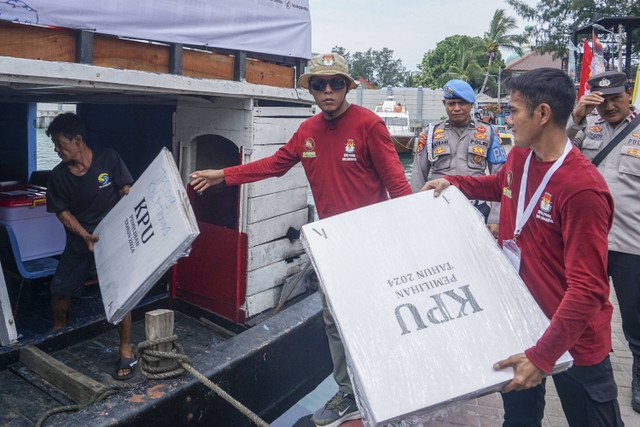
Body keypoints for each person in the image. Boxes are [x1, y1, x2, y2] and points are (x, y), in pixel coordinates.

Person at [190, 52, 412, 427]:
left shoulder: (369, 125)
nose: (328, 91)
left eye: (336, 83)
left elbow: (399, 188)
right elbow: (274, 165)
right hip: (330, 244)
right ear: (310, 89)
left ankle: (386, 383)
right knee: (333, 320)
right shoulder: (307, 131)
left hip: (370, 242)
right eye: (319, 84)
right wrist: (223, 175)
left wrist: (409, 242)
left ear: (347, 87)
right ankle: (348, 392)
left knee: (374, 316)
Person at [422, 68, 623, 426]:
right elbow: (498, 183)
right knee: (519, 420)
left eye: (513, 111)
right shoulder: (520, 157)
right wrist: (451, 182)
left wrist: (543, 357)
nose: (507, 119)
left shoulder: (582, 189)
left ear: (542, 114)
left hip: (574, 339)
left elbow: (588, 289)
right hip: (522, 322)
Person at [568, 70, 640, 412]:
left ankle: (638, 373)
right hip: (590, 240)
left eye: (616, 97)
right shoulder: (588, 128)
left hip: (632, 243)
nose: (609, 106)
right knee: (589, 307)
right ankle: (593, 366)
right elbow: (558, 153)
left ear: (629, 93)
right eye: (602, 100)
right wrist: (577, 116)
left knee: (635, 316)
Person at [45, 112, 137, 381]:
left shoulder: (109, 158)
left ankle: (125, 347)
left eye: (60, 144)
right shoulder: (59, 176)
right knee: (59, 290)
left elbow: (125, 189)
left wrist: (128, 194)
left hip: (111, 238)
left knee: (120, 294)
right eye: (53, 144)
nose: (56, 149)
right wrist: (85, 236)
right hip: (80, 240)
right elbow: (62, 213)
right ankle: (58, 329)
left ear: (78, 139)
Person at [410, 79, 507, 237]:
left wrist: (496, 217)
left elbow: (501, 177)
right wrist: (417, 212)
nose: (456, 108)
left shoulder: (489, 132)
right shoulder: (429, 134)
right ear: (444, 103)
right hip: (438, 207)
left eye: (462, 103)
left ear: (471, 104)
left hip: (478, 208)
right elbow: (418, 174)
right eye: (451, 103)